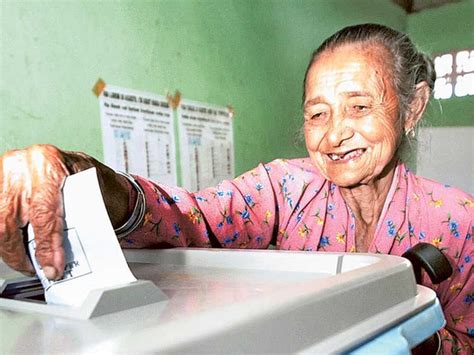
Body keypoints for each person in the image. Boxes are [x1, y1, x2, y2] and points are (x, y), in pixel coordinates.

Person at [0, 24, 472, 354]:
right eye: (317, 114)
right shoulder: (284, 188)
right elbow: (189, 218)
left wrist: (408, 328)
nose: (333, 135)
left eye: (359, 106)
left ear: (412, 109)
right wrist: (76, 171)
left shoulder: (460, 219)